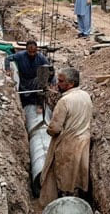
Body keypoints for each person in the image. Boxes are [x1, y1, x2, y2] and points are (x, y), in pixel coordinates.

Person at [39, 67, 93, 206]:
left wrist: (49, 130)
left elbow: (55, 128)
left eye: (61, 81)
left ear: (70, 84)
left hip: (67, 145)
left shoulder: (65, 101)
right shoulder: (85, 95)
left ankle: (63, 204)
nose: (58, 84)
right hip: (83, 142)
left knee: (63, 177)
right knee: (78, 175)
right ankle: (79, 202)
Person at [4, 40, 50, 105]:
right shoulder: (20, 55)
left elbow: (49, 68)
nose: (32, 54)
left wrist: (52, 82)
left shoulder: (41, 57)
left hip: (35, 82)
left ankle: (38, 104)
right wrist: (8, 70)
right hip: (23, 81)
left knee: (37, 93)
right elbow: (7, 59)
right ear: (26, 50)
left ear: (36, 50)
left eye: (34, 52)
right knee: (23, 99)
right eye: (30, 52)